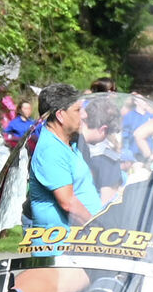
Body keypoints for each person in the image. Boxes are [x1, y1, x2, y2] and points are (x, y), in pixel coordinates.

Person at [24, 83, 103, 228]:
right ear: (60, 115)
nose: (84, 115)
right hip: (59, 246)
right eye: (78, 110)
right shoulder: (50, 150)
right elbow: (68, 203)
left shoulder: (70, 143)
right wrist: (98, 229)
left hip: (77, 242)